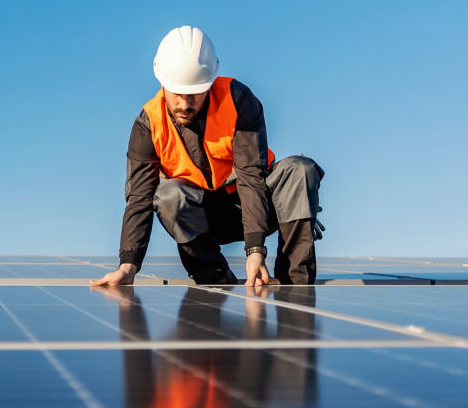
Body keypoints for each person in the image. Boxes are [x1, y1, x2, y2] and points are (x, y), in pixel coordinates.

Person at [91, 25, 324, 287]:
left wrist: (256, 250)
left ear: (210, 83)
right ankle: (215, 281)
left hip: (258, 203)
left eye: (194, 94)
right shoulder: (148, 126)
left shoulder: (238, 100)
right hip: (204, 218)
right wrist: (128, 265)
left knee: (299, 170)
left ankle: (295, 284)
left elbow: (251, 175)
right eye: (177, 93)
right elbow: (139, 199)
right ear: (162, 82)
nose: (185, 104)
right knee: (168, 196)